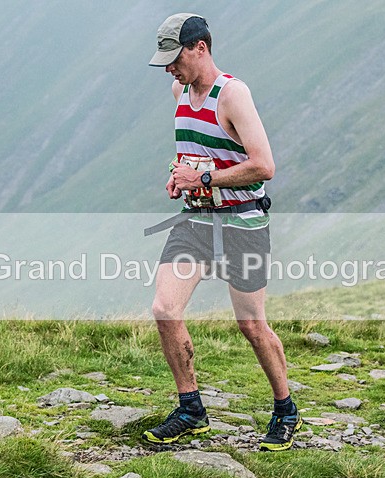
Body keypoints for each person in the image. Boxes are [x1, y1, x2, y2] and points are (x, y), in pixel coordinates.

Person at [143, 13, 302, 450]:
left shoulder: (233, 95)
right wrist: (179, 175)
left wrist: (204, 178)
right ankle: (191, 409)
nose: (170, 68)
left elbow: (263, 166)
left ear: (201, 48)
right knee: (165, 308)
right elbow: (195, 149)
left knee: (251, 325)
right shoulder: (179, 91)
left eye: (175, 58)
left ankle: (285, 408)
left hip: (243, 221)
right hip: (196, 219)